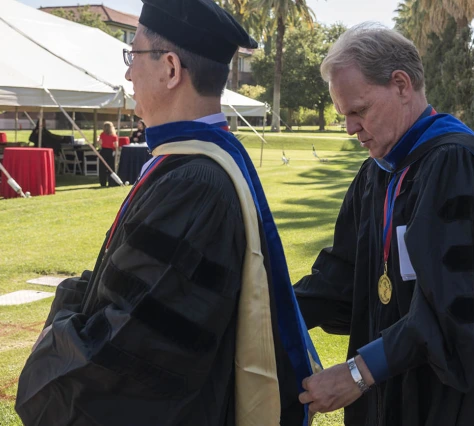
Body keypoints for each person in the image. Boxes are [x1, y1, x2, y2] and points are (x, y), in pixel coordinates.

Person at [15, 1, 319, 425]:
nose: (127, 74)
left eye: (133, 55)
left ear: (171, 69)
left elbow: (136, 344)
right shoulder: (194, 165)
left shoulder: (193, 184)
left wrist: (57, 336)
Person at [294, 22, 474, 426]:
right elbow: (346, 282)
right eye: (344, 115)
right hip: (398, 392)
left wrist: (357, 373)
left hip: (461, 403)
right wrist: (274, 311)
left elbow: (458, 309)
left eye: (359, 110)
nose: (349, 128)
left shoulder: (458, 165)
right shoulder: (377, 175)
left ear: (401, 84)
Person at [98, 121, 119, 187]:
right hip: (110, 152)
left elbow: (100, 143)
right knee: (111, 168)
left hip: (103, 151)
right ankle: (111, 183)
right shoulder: (114, 136)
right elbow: (116, 145)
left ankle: (103, 183)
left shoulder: (102, 134)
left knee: (102, 168)